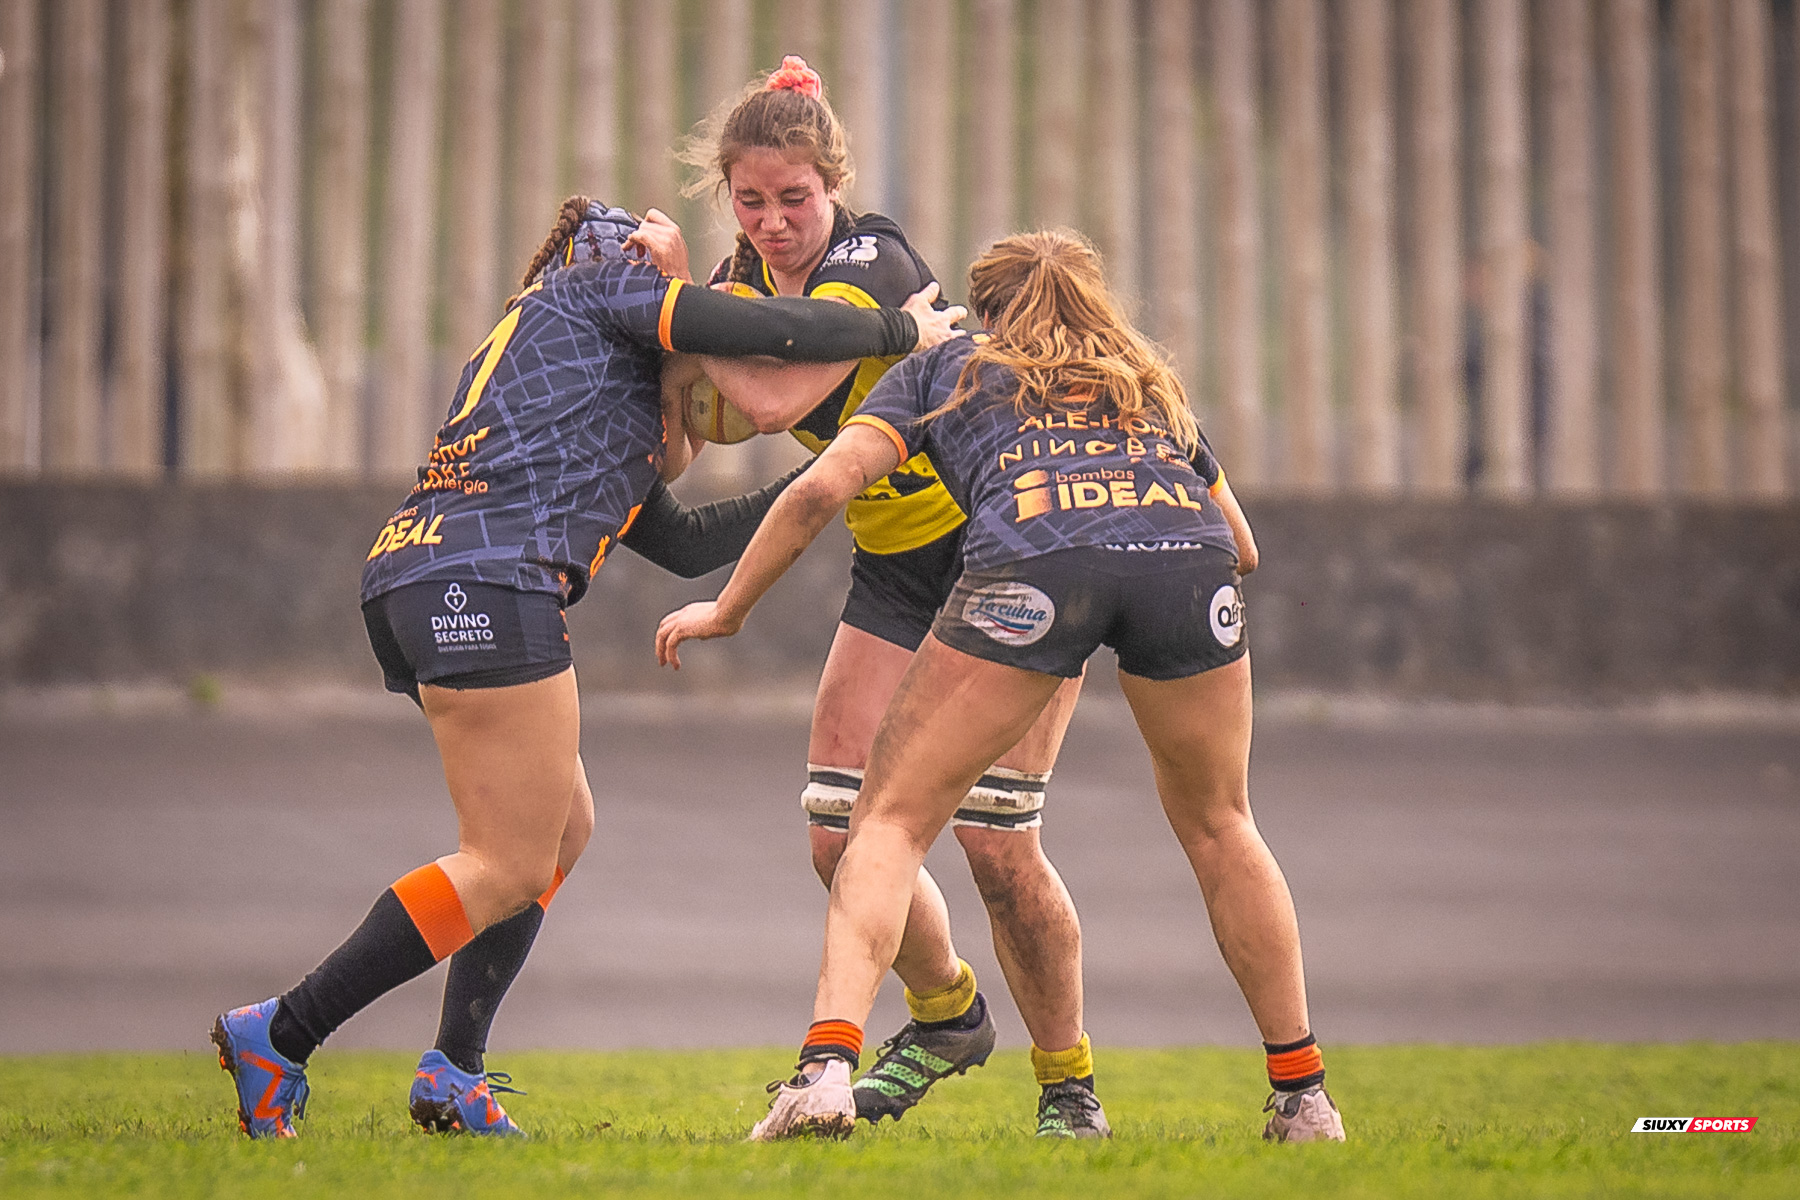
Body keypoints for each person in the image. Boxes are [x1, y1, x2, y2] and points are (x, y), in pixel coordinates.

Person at [209, 197, 965, 1140]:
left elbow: (686, 545)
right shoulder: (600, 289)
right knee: (506, 860)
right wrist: (904, 328)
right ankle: (280, 1032)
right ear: (609, 258)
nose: (663, 273)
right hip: (485, 586)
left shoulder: (572, 367)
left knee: (561, 831)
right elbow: (775, 326)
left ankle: (454, 1069)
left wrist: (836, 480)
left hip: (420, 576)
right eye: (649, 254)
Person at [658, 230, 1346, 1145]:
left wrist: (728, 610)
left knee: (891, 819)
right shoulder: (1144, 383)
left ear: (985, 313)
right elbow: (1244, 546)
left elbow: (822, 491)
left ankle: (825, 1073)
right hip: (1189, 568)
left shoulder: (952, 367)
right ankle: (1303, 1097)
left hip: (1036, 570)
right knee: (1223, 826)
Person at [635, 56, 1098, 1134]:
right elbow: (698, 430)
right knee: (838, 832)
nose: (774, 221)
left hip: (1003, 548)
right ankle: (946, 1017)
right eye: (750, 202)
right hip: (897, 563)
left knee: (994, 839)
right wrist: (674, 347)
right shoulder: (742, 286)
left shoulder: (872, 258)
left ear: (832, 183)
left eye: (793, 198)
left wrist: (674, 309)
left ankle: (1069, 1085)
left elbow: (773, 391)